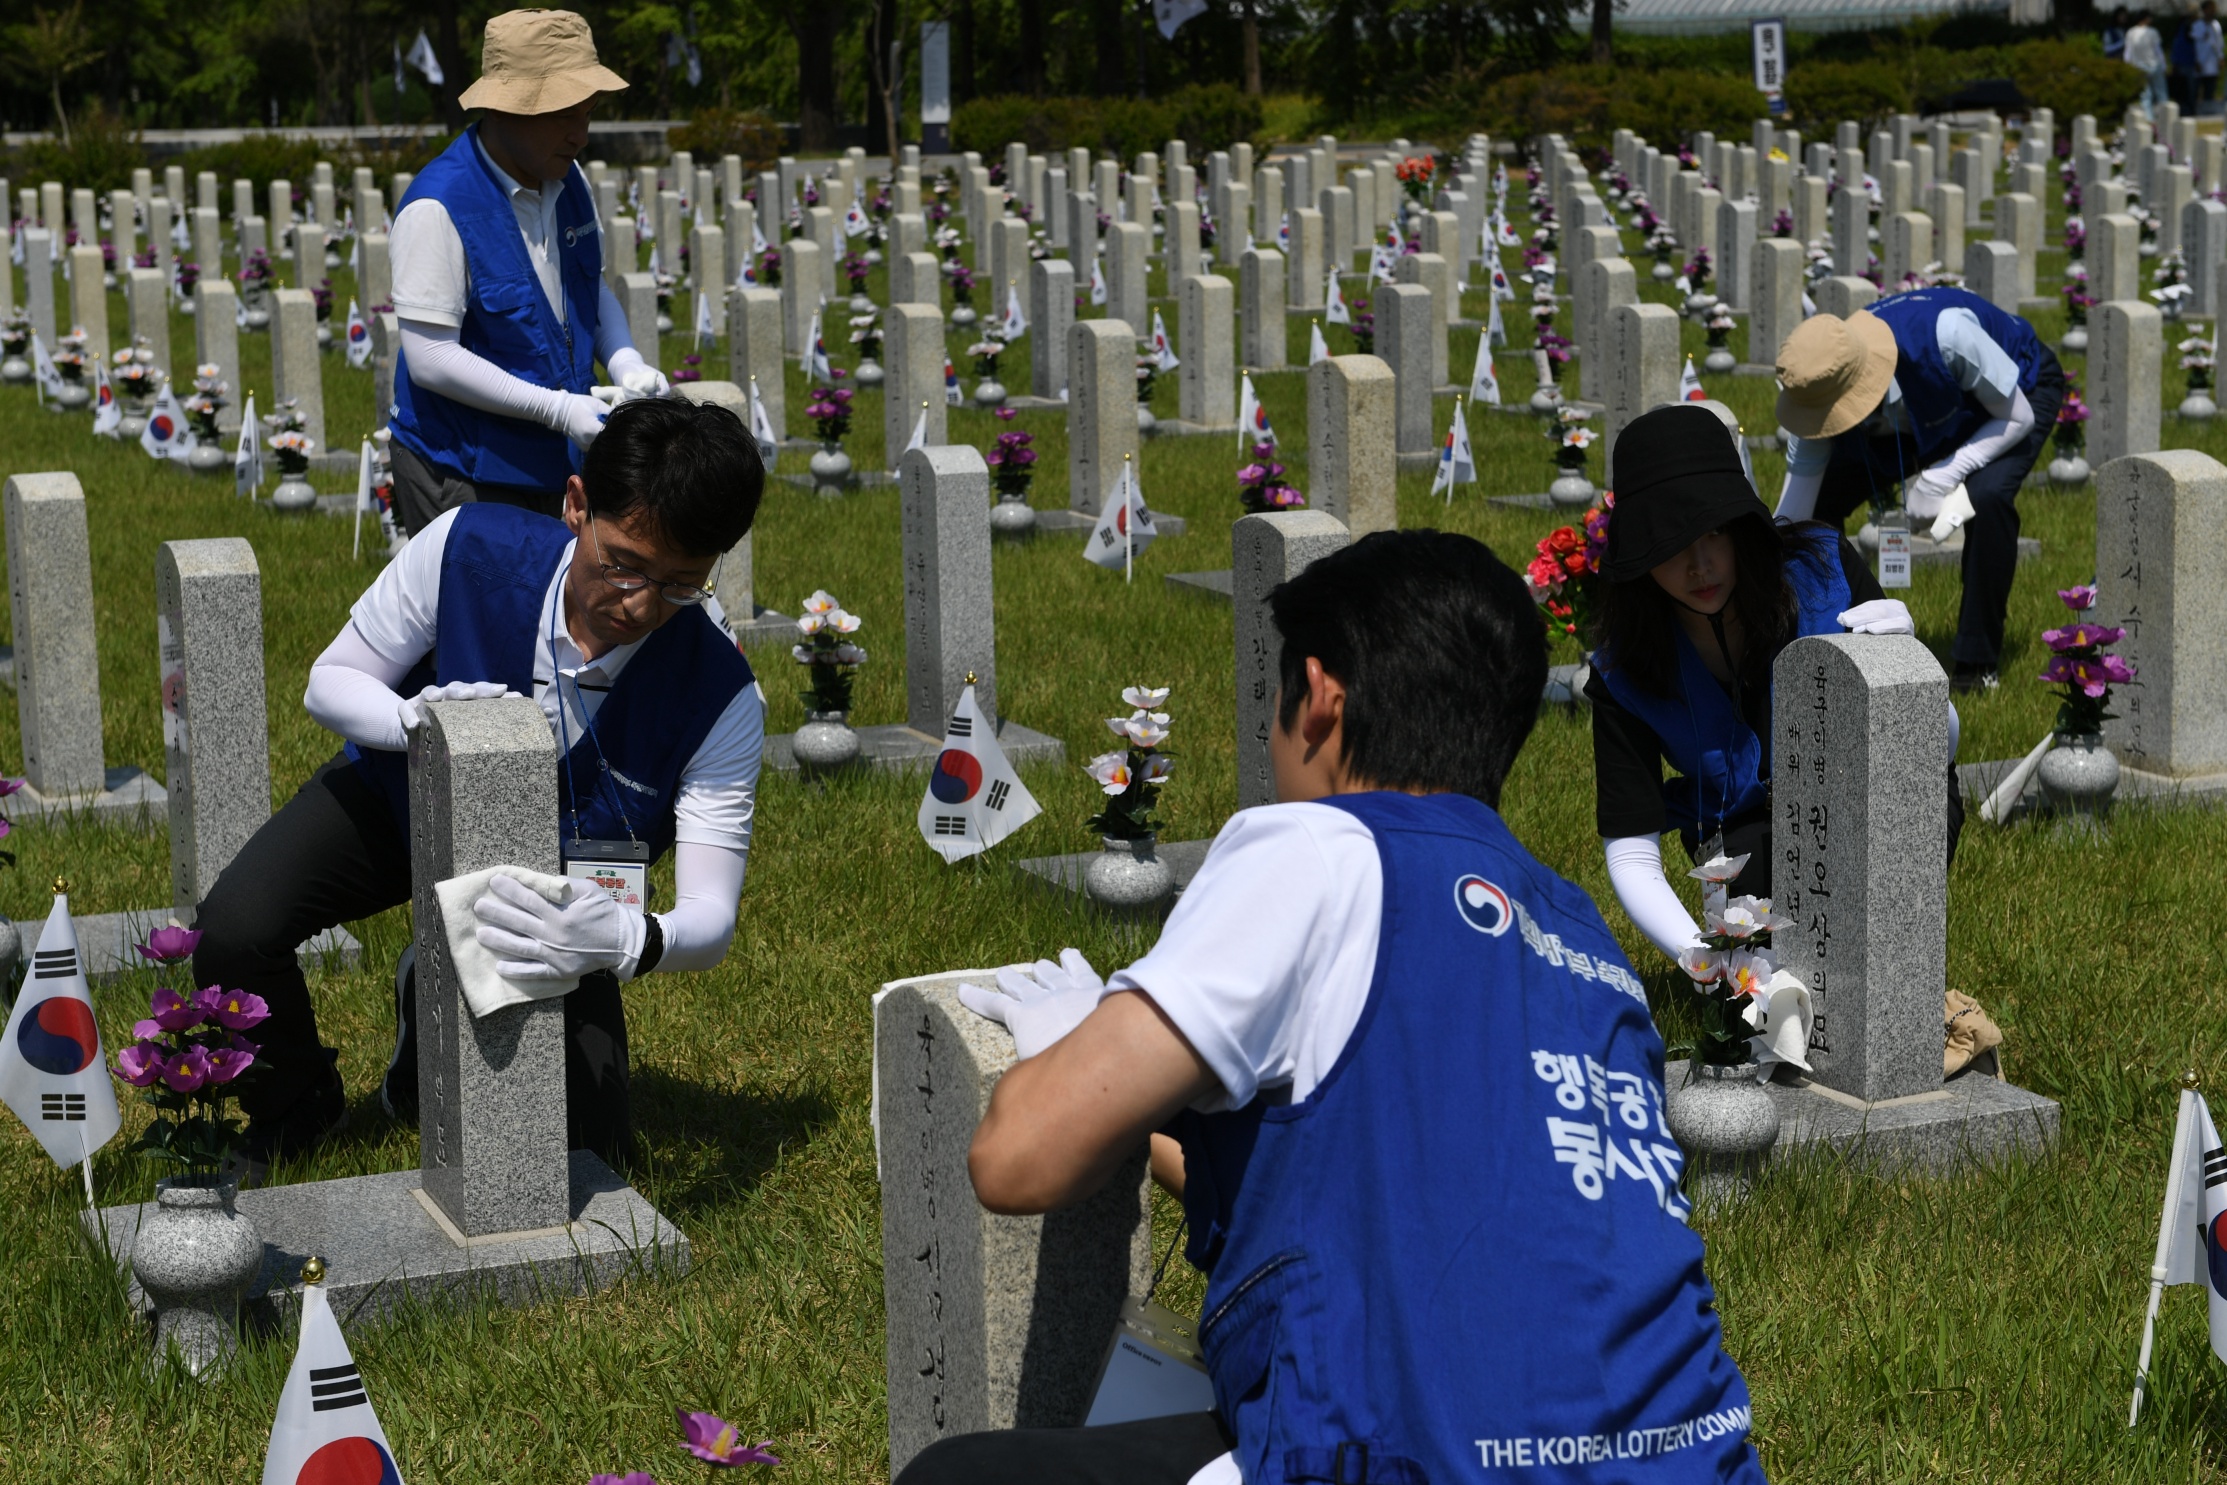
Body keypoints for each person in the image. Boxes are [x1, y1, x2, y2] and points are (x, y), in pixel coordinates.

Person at [901, 531, 1767, 1485]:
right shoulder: (1577, 930)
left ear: (1316, 697)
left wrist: (1077, 1044)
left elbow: (1018, 1157)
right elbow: (1374, 1188)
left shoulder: (1318, 849)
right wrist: (1143, 1111)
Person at [193, 397, 765, 1186]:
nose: (638, 603)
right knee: (233, 928)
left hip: (548, 894)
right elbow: (330, 680)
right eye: (623, 563)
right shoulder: (469, 545)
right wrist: (414, 723)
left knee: (589, 1155)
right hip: (400, 798)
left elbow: (713, 915)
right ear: (574, 505)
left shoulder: (723, 693)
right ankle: (296, 1100)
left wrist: (623, 941)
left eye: (678, 586)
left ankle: (424, 1016)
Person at [1584, 403, 1960, 966]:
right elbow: (1632, 850)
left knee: (1872, 937)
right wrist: (1702, 961)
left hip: (1873, 795)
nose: (1699, 565)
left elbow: (1936, 751)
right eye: (1669, 545)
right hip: (1741, 834)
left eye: (1714, 531)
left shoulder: (1824, 573)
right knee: (1775, 946)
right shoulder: (1625, 668)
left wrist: (1913, 680)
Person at [387, 9, 665, 536]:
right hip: (464, 471)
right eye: (564, 114)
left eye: (588, 113)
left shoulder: (566, 178)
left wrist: (626, 362)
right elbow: (430, 357)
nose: (581, 134)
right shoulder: (438, 206)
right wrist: (559, 410)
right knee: (483, 618)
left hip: (555, 463)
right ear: (505, 109)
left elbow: (587, 285)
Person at [1770, 289, 2064, 691]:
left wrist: (1943, 475)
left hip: (2009, 398)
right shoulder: (1819, 383)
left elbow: (2018, 416)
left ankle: (1976, 663)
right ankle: (1833, 638)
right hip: (1905, 420)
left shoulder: (1946, 336)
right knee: (1820, 510)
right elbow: (1793, 518)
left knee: (1989, 496)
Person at [2126, 9, 2170, 115]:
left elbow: (2128, 52)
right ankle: (2165, 117)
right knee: (2161, 93)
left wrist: (2127, 66)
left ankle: (2148, 117)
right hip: (2153, 65)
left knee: (2145, 95)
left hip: (2139, 66)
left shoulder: (2131, 32)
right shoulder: (2152, 32)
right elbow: (2158, 51)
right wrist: (2164, 65)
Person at [2197, 1, 2224, 112]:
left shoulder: (2215, 25)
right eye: (2209, 8)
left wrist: (2220, 57)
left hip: (2212, 62)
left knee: (2210, 87)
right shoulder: (2198, 25)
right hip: (2200, 61)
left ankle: (2208, 111)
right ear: (2204, 10)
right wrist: (2197, 60)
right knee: (2198, 88)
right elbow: (2196, 44)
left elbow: (2219, 43)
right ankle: (2199, 110)